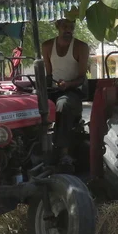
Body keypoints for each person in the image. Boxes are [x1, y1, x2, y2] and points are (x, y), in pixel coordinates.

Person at [42, 17, 90, 167]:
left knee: (63, 104)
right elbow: (49, 74)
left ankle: (64, 153)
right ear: (57, 26)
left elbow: (82, 78)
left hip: (73, 91)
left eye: (71, 27)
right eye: (65, 26)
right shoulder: (47, 46)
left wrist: (68, 84)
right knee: (33, 104)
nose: (68, 30)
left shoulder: (81, 47)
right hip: (54, 89)